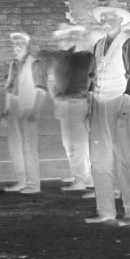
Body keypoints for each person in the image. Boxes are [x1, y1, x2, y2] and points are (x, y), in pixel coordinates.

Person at [86, 3, 130, 227]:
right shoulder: (99, 44)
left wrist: (127, 103)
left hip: (120, 100)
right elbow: (94, 79)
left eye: (110, 18)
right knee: (99, 159)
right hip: (99, 104)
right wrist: (90, 107)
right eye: (103, 18)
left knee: (124, 159)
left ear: (120, 20)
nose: (105, 21)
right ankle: (105, 210)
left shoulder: (129, 43)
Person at [41, 23, 95, 193]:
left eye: (69, 37)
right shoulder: (59, 60)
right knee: (69, 143)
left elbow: (91, 82)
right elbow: (51, 81)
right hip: (64, 106)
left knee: (80, 144)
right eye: (61, 38)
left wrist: (85, 99)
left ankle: (83, 179)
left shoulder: (87, 57)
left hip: (80, 105)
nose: (64, 41)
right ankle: (81, 176)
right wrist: (57, 95)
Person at [1, 32, 45, 194]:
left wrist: (35, 112)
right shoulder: (13, 64)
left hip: (28, 109)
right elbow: (9, 90)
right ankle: (21, 181)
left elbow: (41, 91)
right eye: (15, 44)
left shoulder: (36, 64)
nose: (17, 47)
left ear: (27, 46)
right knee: (15, 147)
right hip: (13, 109)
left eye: (20, 44)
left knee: (29, 147)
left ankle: (33, 183)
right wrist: (6, 111)